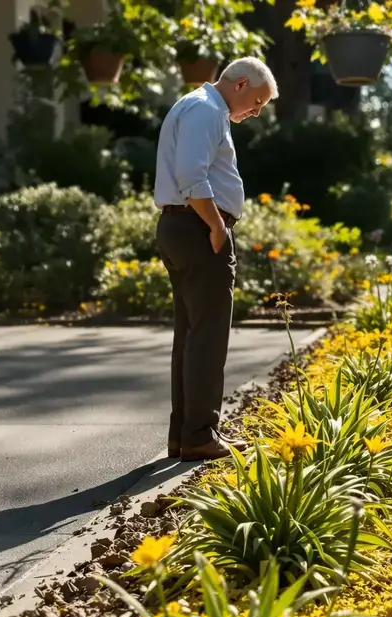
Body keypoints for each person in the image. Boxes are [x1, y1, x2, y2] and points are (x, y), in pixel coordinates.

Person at [153, 57, 278, 461]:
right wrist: (217, 226)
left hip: (184, 226)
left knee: (191, 334)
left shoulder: (199, 107)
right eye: (257, 102)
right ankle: (200, 435)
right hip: (198, 228)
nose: (256, 112)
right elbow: (193, 176)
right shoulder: (206, 110)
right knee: (207, 335)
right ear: (240, 84)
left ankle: (185, 434)